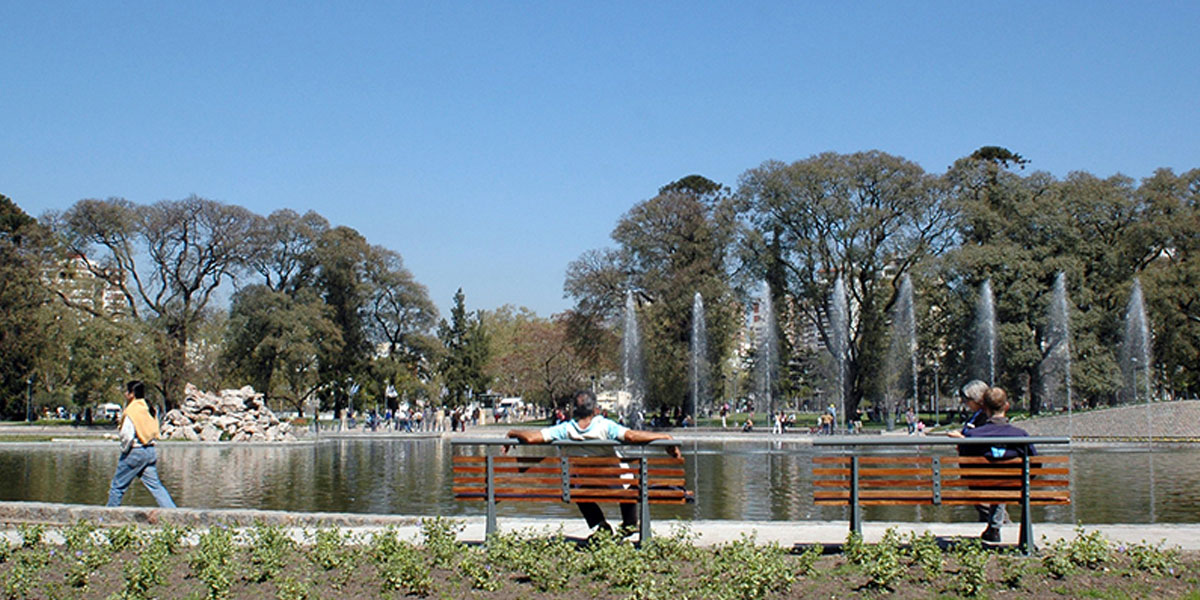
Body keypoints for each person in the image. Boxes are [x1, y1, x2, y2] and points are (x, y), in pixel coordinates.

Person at [507, 390, 679, 539]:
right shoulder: (606, 426)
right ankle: (629, 525)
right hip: (618, 484)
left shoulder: (565, 429)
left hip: (586, 486)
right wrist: (665, 437)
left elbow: (531, 438)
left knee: (572, 486)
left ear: (574, 409)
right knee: (630, 482)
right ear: (596, 409)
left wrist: (512, 432)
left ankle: (600, 525)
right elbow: (632, 437)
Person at [957, 386, 1036, 543]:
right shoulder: (1021, 435)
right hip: (1013, 485)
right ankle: (995, 528)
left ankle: (993, 528)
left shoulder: (972, 435)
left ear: (984, 408)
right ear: (1006, 406)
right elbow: (1034, 464)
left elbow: (964, 461)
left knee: (994, 479)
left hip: (980, 485)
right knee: (1002, 480)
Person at [107, 380, 176, 508]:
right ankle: (173, 513)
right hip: (149, 451)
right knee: (156, 486)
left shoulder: (132, 410)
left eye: (127, 391)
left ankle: (108, 515)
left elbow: (127, 435)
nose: (125, 394)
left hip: (135, 451)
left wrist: (124, 450)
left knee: (117, 486)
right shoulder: (148, 408)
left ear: (131, 394)